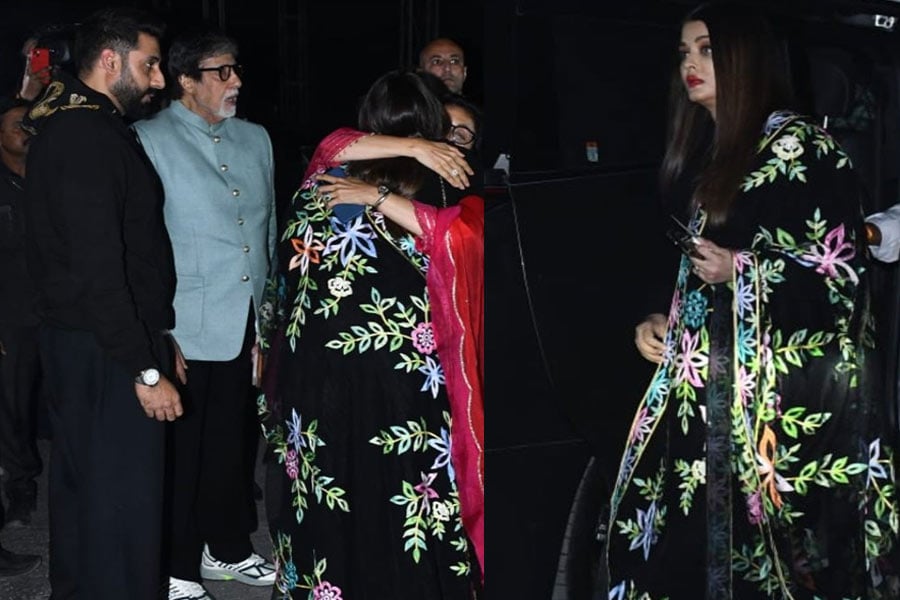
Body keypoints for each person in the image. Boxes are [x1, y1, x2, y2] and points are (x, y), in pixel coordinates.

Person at [607, 3, 899, 598]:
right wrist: (659, 318)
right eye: (685, 52)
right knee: (690, 547)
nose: (691, 64)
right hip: (708, 395)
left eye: (708, 49)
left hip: (775, 406)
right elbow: (688, 267)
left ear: (745, 58)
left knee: (777, 562)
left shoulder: (802, 148)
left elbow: (841, 271)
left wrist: (743, 270)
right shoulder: (705, 152)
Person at [259, 69, 482, 598]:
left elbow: (286, 279)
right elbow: (465, 245)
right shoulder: (441, 180)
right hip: (399, 378)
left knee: (330, 484)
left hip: (316, 374)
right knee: (400, 489)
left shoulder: (321, 178)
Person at [23, 7, 182, 599]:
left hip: (96, 342)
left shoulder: (80, 127)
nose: (159, 79)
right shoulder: (85, 136)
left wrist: (158, 343)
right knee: (121, 504)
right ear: (109, 60)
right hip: (102, 350)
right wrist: (143, 368)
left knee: (91, 494)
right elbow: (98, 270)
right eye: (150, 64)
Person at [132, 25, 277, 600]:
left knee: (232, 444)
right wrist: (158, 332)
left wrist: (266, 320)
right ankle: (176, 568)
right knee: (183, 452)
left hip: (243, 319)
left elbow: (263, 238)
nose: (235, 80)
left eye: (235, 69)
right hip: (183, 323)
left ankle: (229, 550)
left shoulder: (257, 139)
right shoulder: (147, 138)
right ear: (185, 80)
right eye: (221, 71)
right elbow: (142, 245)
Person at [0, 96, 42, 529]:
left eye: (30, 125)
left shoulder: (50, 178)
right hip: (11, 318)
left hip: (59, 311)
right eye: (16, 126)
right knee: (12, 407)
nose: (26, 132)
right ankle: (21, 486)